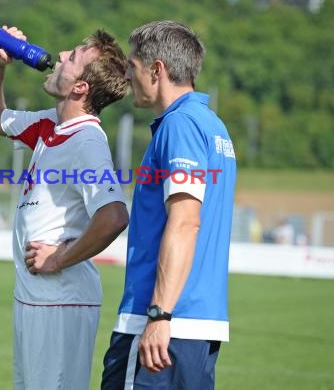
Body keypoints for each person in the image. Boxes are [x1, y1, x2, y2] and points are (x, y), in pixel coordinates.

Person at [0, 25, 130, 390]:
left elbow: (114, 215)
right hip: (34, 298)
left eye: (72, 57)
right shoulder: (51, 124)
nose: (60, 55)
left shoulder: (87, 140)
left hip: (61, 302)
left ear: (80, 88)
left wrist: (58, 258)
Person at [101, 20, 237, 389]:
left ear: (157, 69)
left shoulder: (180, 125)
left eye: (132, 66)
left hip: (165, 323)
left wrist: (160, 314)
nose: (128, 76)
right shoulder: (213, 126)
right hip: (196, 324)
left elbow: (185, 222)